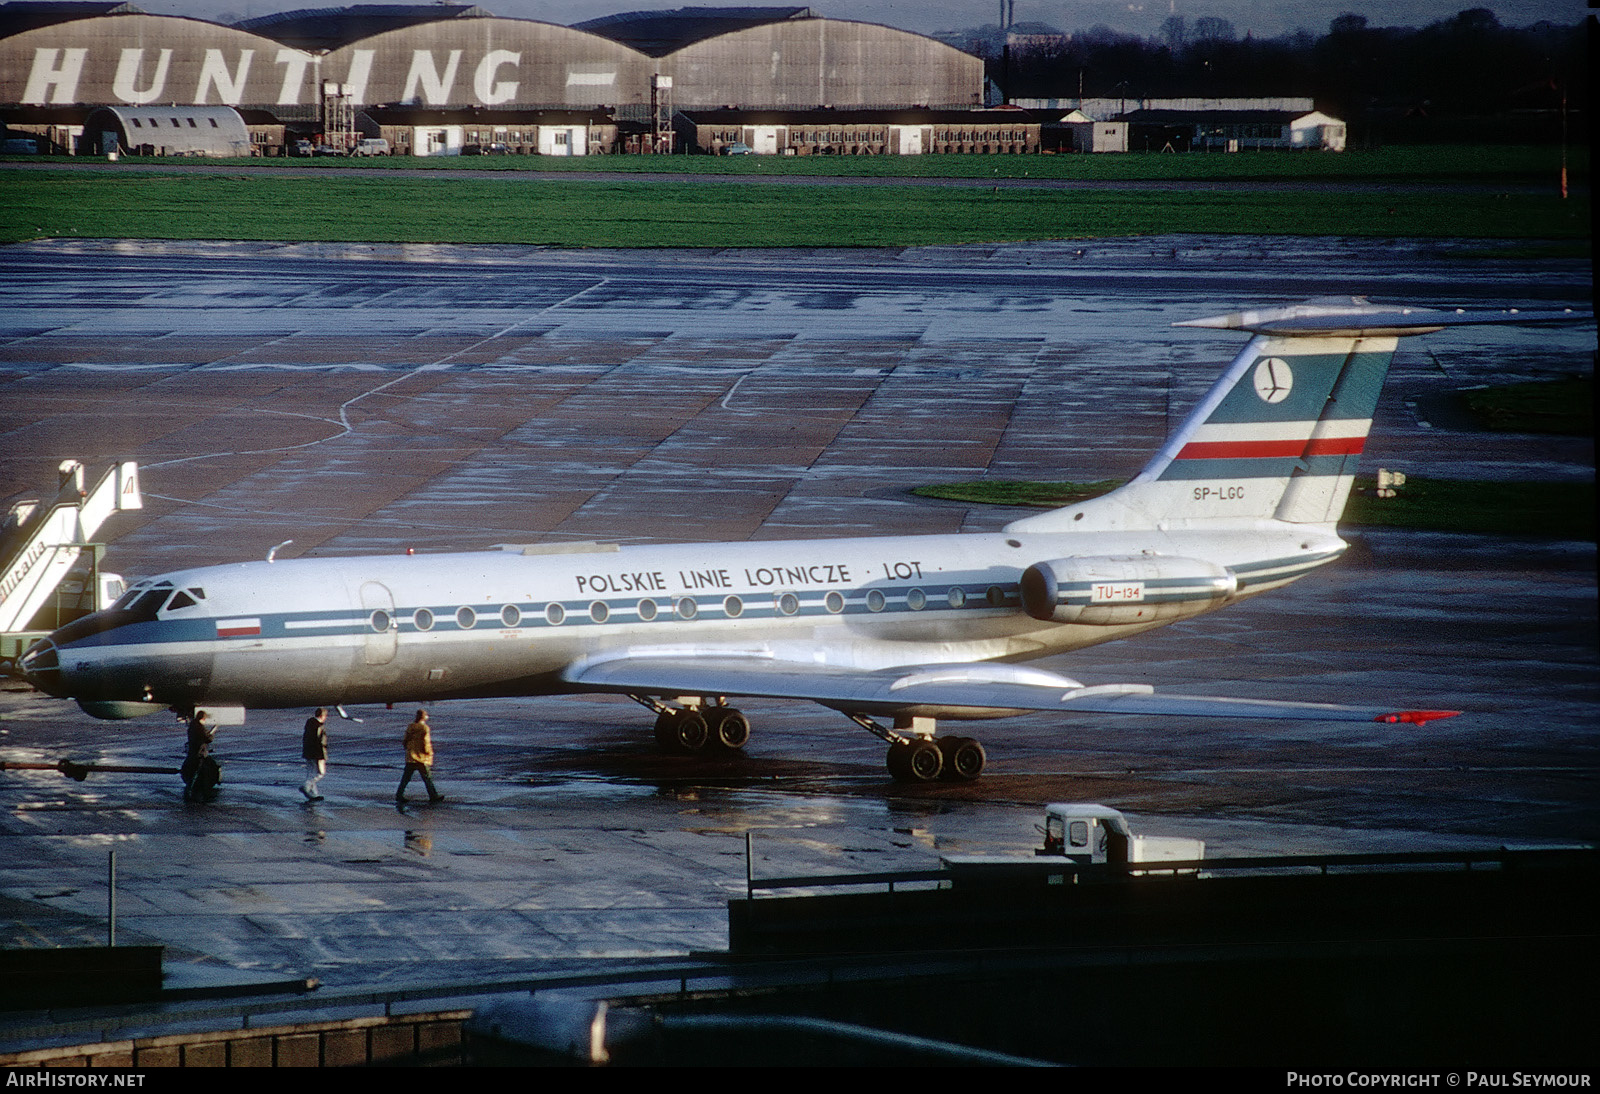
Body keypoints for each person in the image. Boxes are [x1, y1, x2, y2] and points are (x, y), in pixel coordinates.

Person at [396, 709, 444, 803]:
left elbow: (405, 740)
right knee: (427, 778)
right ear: (424, 717)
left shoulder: (411, 726)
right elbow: (426, 742)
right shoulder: (424, 728)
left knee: (406, 778)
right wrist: (429, 753)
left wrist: (407, 748)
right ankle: (433, 796)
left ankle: (399, 795)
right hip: (421, 757)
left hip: (411, 756)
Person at [182, 710, 216, 803]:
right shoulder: (200, 728)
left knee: (193, 773)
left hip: (193, 753)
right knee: (196, 774)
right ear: (203, 718)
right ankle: (191, 794)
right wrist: (213, 732)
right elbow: (208, 739)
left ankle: (190, 792)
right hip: (198, 754)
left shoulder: (192, 726)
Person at [300, 707, 328, 801]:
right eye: (325, 716)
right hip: (317, 753)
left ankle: (314, 794)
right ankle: (306, 787)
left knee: (310, 772)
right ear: (322, 716)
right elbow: (319, 741)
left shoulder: (309, 724)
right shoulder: (318, 726)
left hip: (308, 751)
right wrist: (321, 754)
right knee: (320, 773)